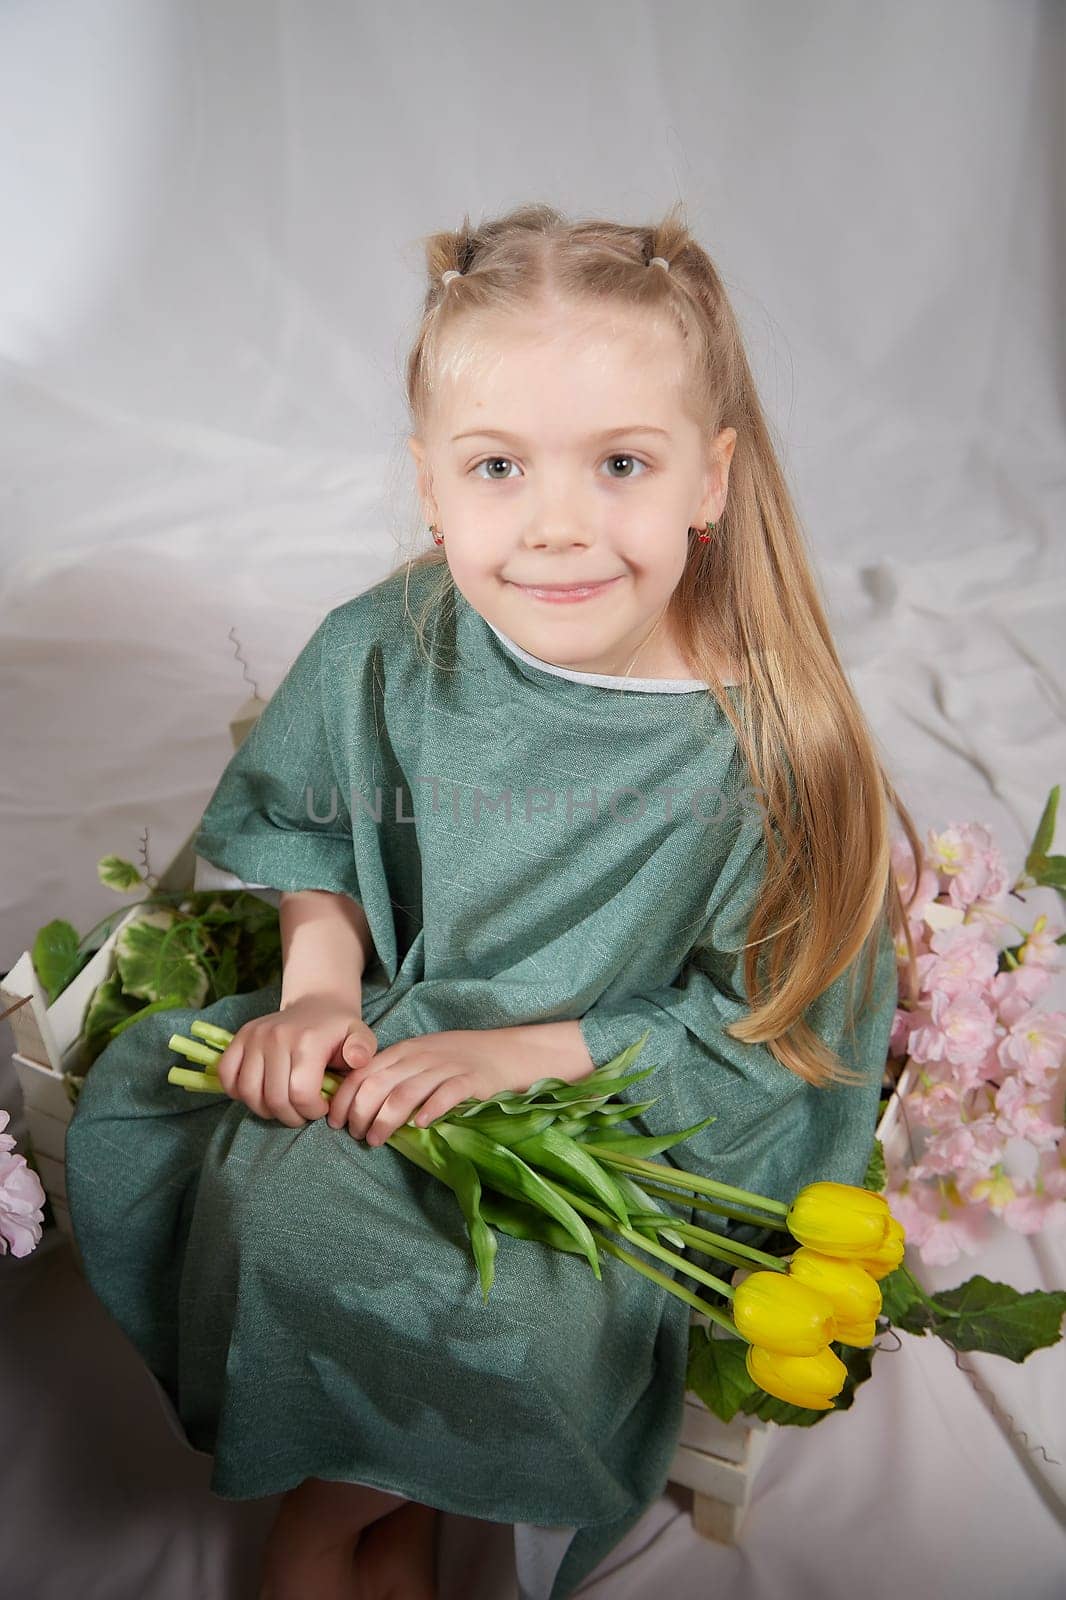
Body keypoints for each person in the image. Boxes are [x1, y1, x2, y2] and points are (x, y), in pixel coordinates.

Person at [65, 199, 922, 1600]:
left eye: (622, 463)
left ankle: (323, 1529)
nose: (560, 527)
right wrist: (322, 994)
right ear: (427, 483)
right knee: (282, 1202)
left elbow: (767, 1022)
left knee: (510, 1297)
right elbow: (315, 833)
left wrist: (525, 1054)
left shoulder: (771, 741)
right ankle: (395, 1514)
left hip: (621, 1094)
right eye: (499, 467)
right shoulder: (384, 651)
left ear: (710, 478)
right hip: (403, 1033)